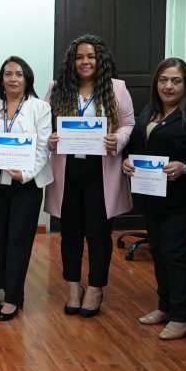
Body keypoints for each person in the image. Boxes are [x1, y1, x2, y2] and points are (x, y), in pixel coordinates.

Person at [45, 34, 135, 317]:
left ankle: (95, 288)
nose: (85, 62)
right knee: (69, 233)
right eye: (79, 57)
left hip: (101, 171)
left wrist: (117, 140)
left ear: (101, 61)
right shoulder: (56, 88)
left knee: (98, 234)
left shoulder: (116, 89)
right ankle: (74, 287)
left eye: (91, 56)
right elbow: (44, 124)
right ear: (71, 62)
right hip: (67, 170)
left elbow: (129, 124)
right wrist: (49, 138)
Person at [122, 58, 186, 340]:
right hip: (152, 195)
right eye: (163, 80)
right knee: (158, 252)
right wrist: (126, 161)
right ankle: (165, 306)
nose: (168, 86)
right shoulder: (150, 110)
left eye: (176, 81)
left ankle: (183, 316)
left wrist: (185, 166)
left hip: (182, 199)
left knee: (174, 253)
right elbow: (139, 145)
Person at [0, 56, 53, 321]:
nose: (13, 79)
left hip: (27, 185)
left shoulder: (40, 107)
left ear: (27, 78)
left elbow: (43, 147)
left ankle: (11, 299)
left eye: (19, 74)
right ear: (1, 78)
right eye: (8, 74)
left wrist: (27, 174)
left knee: (18, 241)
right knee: (0, 239)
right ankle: (11, 293)